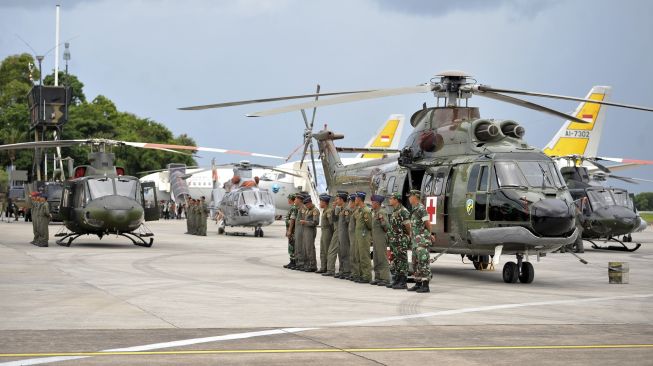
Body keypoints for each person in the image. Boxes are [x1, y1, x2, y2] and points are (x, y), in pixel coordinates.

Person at [407, 189, 432, 293]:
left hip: (421, 240)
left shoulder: (421, 209)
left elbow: (427, 223)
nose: (408, 198)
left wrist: (429, 235)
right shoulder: (414, 209)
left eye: (410, 196)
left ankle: (425, 285)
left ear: (415, 197)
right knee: (415, 262)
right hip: (415, 240)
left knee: (423, 262)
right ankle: (418, 283)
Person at [387, 192, 411, 289]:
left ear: (396, 199)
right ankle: (397, 279)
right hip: (394, 240)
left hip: (401, 240)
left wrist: (408, 236)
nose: (389, 200)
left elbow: (408, 226)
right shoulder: (395, 211)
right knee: (396, 260)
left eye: (391, 198)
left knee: (402, 260)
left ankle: (403, 281)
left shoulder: (403, 211)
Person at [370, 194, 391, 286]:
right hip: (375, 238)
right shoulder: (375, 212)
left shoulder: (381, 212)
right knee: (376, 258)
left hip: (381, 237)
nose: (372, 204)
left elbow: (386, 227)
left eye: (373, 202)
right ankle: (378, 277)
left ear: (377, 203)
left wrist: (382, 220)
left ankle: (385, 278)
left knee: (382, 258)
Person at [354, 191, 373, 284]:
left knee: (364, 255)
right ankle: (362, 274)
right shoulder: (359, 210)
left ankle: (367, 276)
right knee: (359, 255)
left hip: (364, 235)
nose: (354, 200)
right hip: (358, 236)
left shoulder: (366, 210)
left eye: (356, 198)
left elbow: (369, 225)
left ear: (359, 199)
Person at [301, 195, 320, 272]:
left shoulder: (315, 210)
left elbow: (316, 222)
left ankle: (313, 265)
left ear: (310, 202)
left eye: (307, 204)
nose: (306, 206)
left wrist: (305, 222)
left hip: (310, 230)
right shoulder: (307, 210)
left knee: (310, 248)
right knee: (305, 248)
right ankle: (307, 264)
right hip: (305, 230)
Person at [334, 191, 350, 279]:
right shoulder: (341, 209)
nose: (336, 201)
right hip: (340, 233)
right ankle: (342, 270)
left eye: (337, 199)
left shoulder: (346, 210)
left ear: (341, 200)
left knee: (345, 252)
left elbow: (348, 222)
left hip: (344, 234)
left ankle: (346, 271)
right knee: (340, 252)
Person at [317, 194, 334, 274]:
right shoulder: (325, 210)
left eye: (321, 201)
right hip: (323, 231)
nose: (320, 203)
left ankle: (328, 268)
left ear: (324, 202)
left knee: (327, 250)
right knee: (322, 250)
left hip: (327, 232)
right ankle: (323, 267)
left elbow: (331, 224)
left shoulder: (329, 211)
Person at [292, 193, 306, 271]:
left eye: (296, 199)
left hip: (301, 230)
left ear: (300, 200)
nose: (294, 200)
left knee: (300, 246)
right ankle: (298, 262)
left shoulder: (303, 209)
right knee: (297, 246)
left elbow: (304, 220)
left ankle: (301, 263)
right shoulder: (299, 208)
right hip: (298, 230)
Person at [347, 194, 359, 281]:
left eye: (350, 202)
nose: (349, 203)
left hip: (355, 236)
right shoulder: (353, 212)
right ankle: (353, 272)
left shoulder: (357, 212)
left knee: (355, 255)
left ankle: (356, 273)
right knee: (352, 254)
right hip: (351, 236)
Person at [284, 194, 297, 269]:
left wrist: (289, 230)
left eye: (288, 199)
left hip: (292, 231)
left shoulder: (293, 208)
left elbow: (292, 220)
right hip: (290, 230)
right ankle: (291, 261)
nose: (288, 200)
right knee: (290, 246)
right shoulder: (292, 207)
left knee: (292, 246)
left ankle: (294, 262)